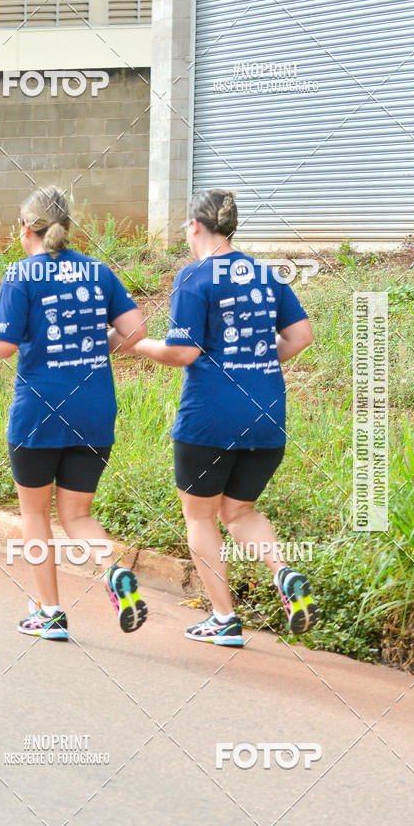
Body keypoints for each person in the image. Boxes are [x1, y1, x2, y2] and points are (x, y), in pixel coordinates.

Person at [129, 189, 319, 647]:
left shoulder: (194, 277)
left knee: (200, 518)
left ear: (195, 225)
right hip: (266, 418)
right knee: (239, 511)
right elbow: (300, 336)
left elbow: (183, 352)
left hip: (209, 420)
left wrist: (136, 345)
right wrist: (252, 362)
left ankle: (224, 619)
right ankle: (283, 572)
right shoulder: (266, 275)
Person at [0, 185, 148, 640]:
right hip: (94, 412)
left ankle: (50, 612)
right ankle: (113, 572)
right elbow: (135, 332)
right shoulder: (98, 271)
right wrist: (94, 346)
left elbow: (2, 347)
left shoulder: (21, 274)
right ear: (67, 226)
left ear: (24, 228)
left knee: (36, 516)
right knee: (77, 515)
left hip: (38, 414)